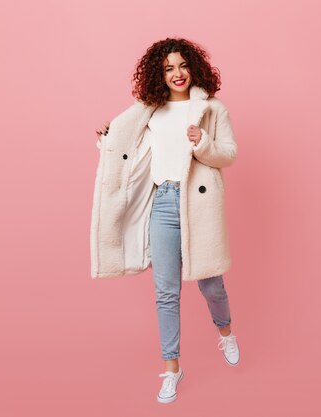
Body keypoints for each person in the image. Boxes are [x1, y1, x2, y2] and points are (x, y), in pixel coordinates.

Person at [93, 37, 239, 404]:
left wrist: (203, 141)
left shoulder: (212, 108)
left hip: (198, 204)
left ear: (194, 68)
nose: (177, 73)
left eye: (182, 65)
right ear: (159, 74)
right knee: (166, 292)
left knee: (211, 286)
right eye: (169, 68)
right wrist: (106, 140)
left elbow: (229, 154)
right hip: (163, 202)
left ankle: (226, 332)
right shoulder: (150, 110)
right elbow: (128, 148)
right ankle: (172, 368)